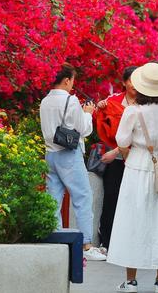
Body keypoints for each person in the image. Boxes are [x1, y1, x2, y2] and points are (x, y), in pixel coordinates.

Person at [106, 63, 158, 293]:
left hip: (137, 166)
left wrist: (130, 152)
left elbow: (121, 140)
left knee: (133, 221)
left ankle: (131, 281)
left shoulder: (133, 111)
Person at [39, 63, 106, 261]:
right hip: (69, 154)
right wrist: (88, 113)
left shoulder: (45, 101)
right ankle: (86, 245)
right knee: (83, 197)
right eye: (72, 80)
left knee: (53, 198)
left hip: (50, 153)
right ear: (67, 80)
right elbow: (84, 130)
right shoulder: (71, 100)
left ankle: (56, 238)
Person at [95, 66, 137, 251]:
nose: (135, 85)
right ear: (124, 82)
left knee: (133, 202)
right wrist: (100, 108)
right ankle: (107, 240)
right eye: (131, 80)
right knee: (111, 198)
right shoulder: (113, 101)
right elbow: (100, 122)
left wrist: (116, 151)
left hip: (134, 159)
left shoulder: (145, 104)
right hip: (116, 161)